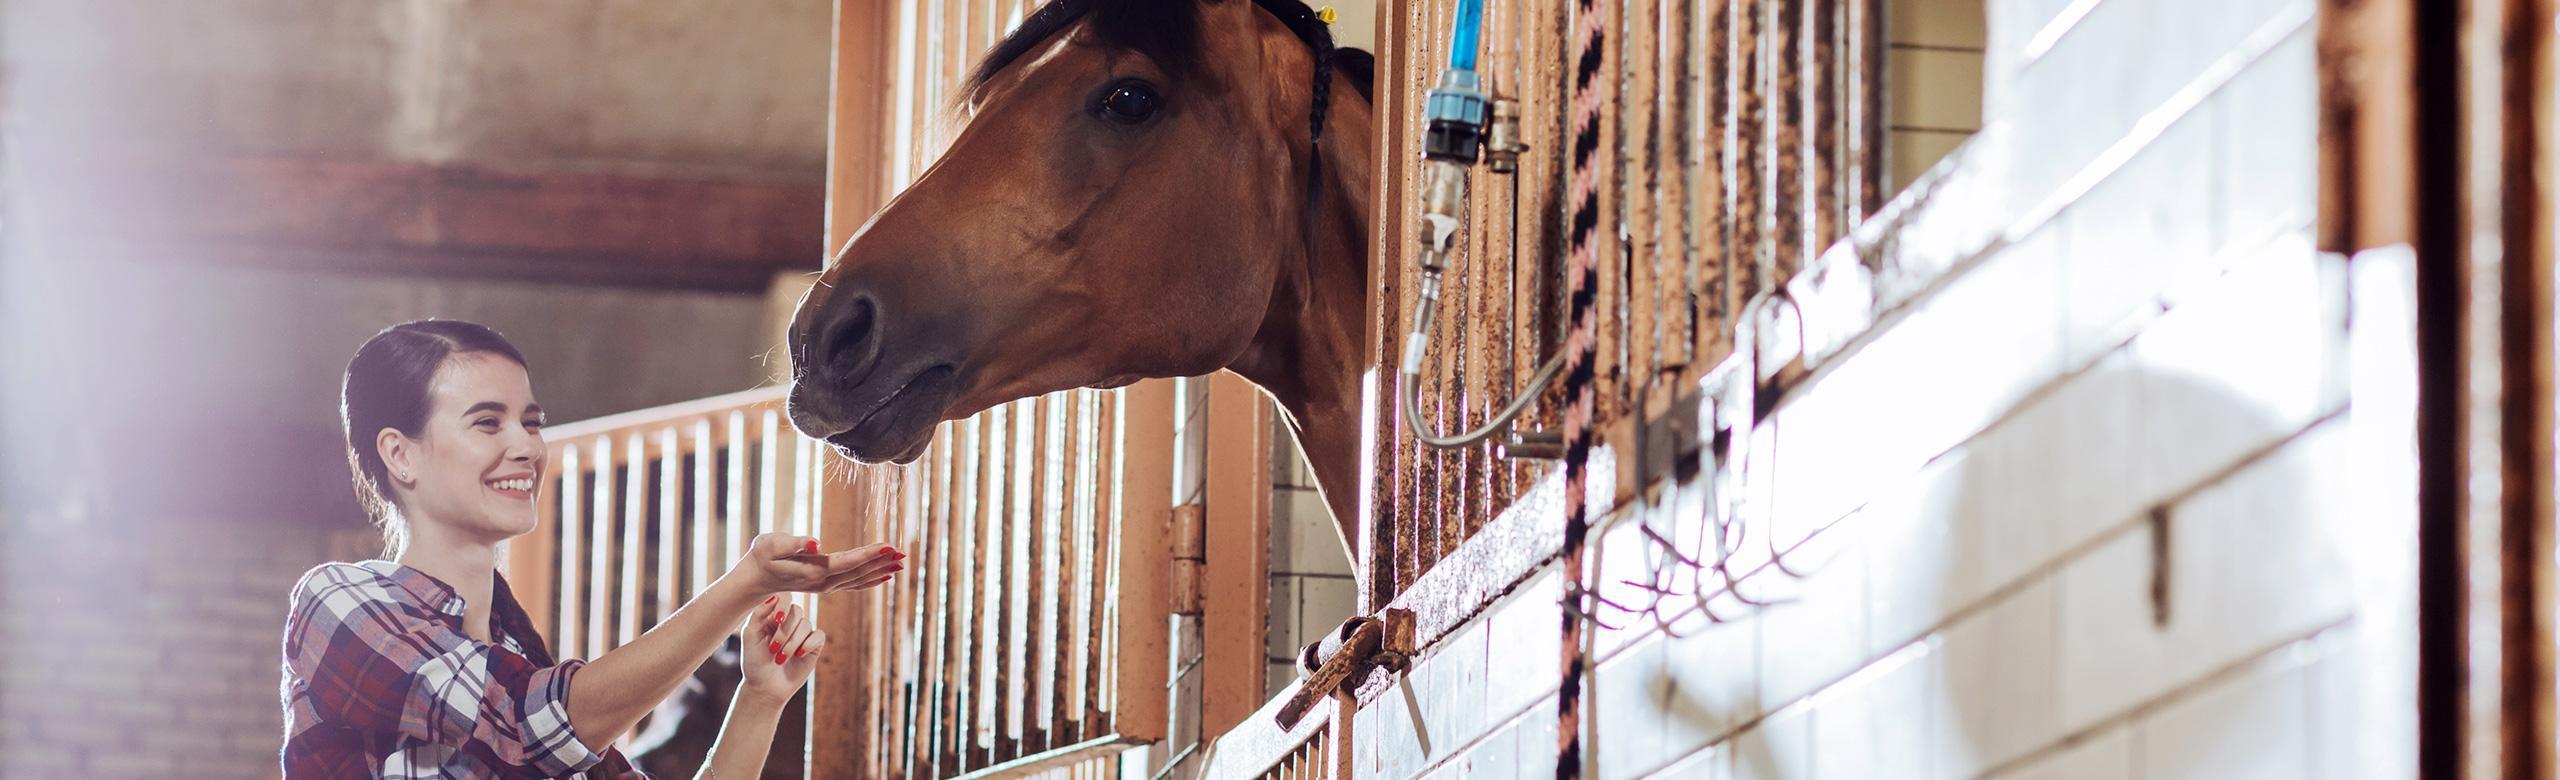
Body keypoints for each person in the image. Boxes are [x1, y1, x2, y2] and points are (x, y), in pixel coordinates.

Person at [281, 319, 904, 778]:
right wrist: (740, 585)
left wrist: (761, 696)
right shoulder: (339, 603)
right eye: (487, 422)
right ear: (400, 453)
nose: (527, 446)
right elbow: (529, 725)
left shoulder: (523, 659)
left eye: (531, 421)